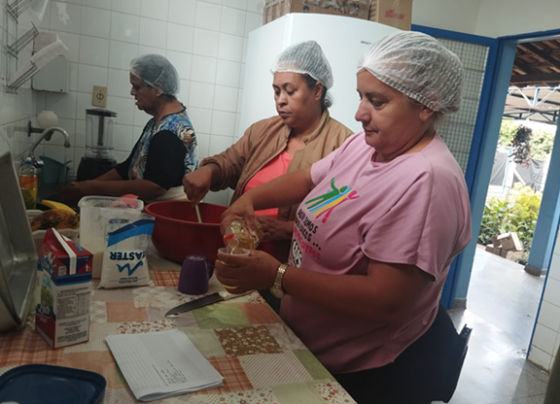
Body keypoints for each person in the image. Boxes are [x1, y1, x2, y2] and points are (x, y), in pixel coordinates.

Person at [214, 31, 472, 404]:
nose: (359, 113)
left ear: (427, 106)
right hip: (307, 343)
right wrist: (249, 200)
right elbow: (308, 179)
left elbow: (386, 299)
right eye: (361, 96)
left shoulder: (426, 181)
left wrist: (277, 275)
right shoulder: (366, 145)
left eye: (377, 101)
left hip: (363, 372)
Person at [183, 41, 353, 261]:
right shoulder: (263, 131)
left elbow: (343, 220)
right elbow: (230, 162)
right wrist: (208, 171)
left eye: (290, 91)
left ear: (317, 90)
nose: (280, 100)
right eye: (276, 91)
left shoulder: (343, 144)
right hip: (238, 253)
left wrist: (288, 229)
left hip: (290, 266)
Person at [60, 54, 197, 204]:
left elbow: (155, 186)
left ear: (158, 89)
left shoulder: (169, 132)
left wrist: (92, 188)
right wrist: (84, 187)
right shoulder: (157, 123)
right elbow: (128, 167)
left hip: (168, 212)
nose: (132, 92)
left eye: (137, 87)